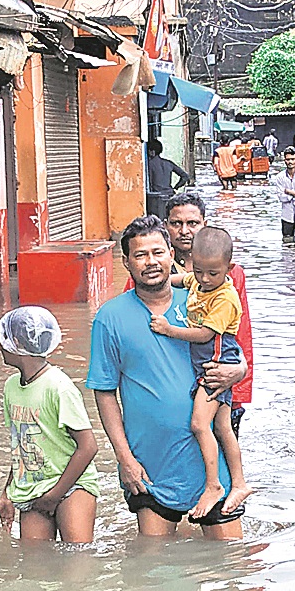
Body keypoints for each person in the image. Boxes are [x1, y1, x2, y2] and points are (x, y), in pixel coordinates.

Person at [87, 215, 248, 539]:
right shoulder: (110, 318)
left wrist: (240, 370)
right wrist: (125, 459)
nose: (151, 262)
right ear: (126, 262)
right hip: (150, 464)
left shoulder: (203, 298)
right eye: (140, 255)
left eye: (158, 252)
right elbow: (104, 392)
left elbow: (232, 347)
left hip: (209, 461)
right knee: (154, 561)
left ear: (171, 254)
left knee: (231, 561)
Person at [122, 192, 254, 436]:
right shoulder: (149, 275)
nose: (184, 231)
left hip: (215, 382)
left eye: (192, 223)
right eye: (176, 223)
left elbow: (240, 336)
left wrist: (239, 378)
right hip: (166, 390)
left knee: (221, 443)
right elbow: (131, 335)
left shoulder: (230, 277)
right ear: (166, 226)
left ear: (205, 224)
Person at [149, 227, 252, 517]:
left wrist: (169, 330)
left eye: (213, 274)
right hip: (207, 362)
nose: (205, 279)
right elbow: (180, 279)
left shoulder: (225, 298)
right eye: (200, 271)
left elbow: (205, 335)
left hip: (216, 363)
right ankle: (240, 483)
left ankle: (214, 485)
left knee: (198, 424)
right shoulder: (198, 279)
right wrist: (158, 282)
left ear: (229, 268)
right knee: (222, 427)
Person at [0, 306, 100, 543]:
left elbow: (88, 446)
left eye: (4, 338)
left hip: (72, 484)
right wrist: (7, 494)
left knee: (77, 555)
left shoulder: (59, 387)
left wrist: (54, 495)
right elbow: (21, 445)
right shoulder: (11, 387)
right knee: (35, 559)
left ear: (17, 343)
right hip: (33, 487)